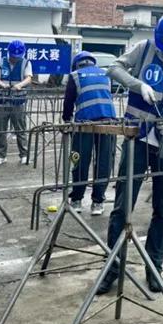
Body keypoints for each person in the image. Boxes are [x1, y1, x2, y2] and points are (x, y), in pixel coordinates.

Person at [99, 11, 163, 294]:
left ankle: (154, 267)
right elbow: (114, 68)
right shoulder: (145, 49)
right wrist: (138, 85)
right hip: (138, 139)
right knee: (122, 206)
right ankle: (112, 268)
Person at [61, 51, 115, 214]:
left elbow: (68, 101)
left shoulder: (75, 76)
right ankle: (98, 202)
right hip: (109, 122)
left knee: (78, 160)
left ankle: (76, 200)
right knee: (104, 162)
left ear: (76, 65)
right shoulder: (106, 74)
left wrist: (66, 120)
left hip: (84, 123)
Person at [0, 40, 33, 166]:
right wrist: (2, 85)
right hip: (1, 101)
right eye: (13, 56)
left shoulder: (26, 63)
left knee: (20, 129)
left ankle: (24, 155)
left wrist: (20, 85)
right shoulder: (0, 62)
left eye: (18, 56)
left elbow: (28, 78)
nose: (15, 58)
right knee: (1, 130)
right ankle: (0, 155)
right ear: (9, 53)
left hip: (18, 101)